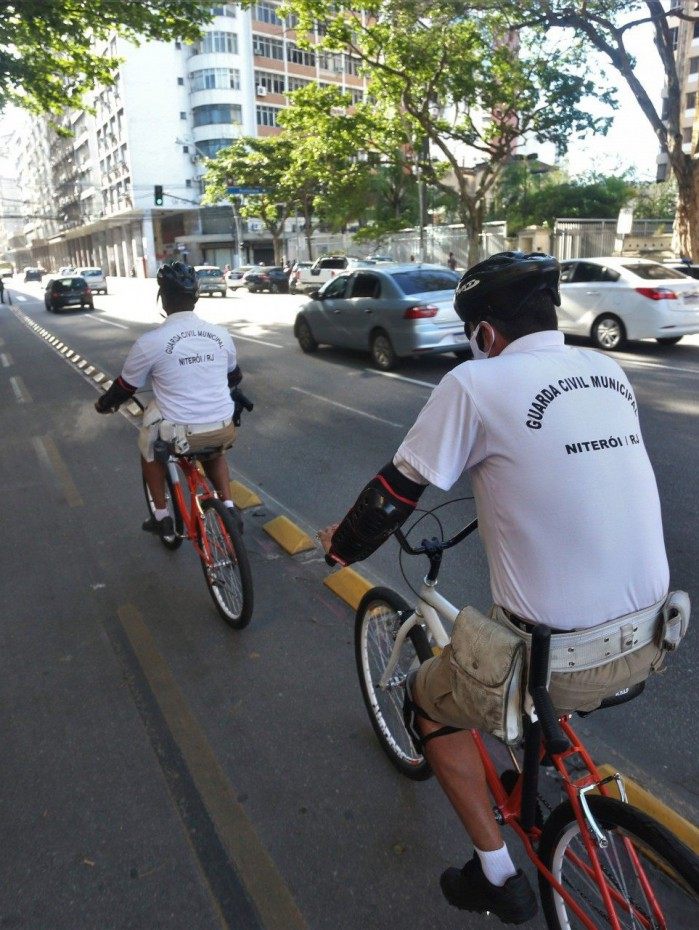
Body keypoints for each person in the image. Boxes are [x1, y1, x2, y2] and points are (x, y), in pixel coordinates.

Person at [319, 251, 677, 924]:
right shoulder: (606, 369)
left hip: (557, 661)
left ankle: (495, 874)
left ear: (483, 331)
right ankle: (539, 757)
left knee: (431, 706)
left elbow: (396, 492)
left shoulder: (473, 383)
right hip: (654, 634)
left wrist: (341, 546)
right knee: (546, 626)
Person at [95, 261, 245, 540]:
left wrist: (105, 404)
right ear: (196, 298)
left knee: (148, 446)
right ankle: (227, 505)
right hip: (223, 426)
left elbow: (125, 387)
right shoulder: (221, 335)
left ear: (162, 299)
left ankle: (162, 516)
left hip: (179, 434)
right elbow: (234, 377)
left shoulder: (151, 341)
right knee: (215, 450)